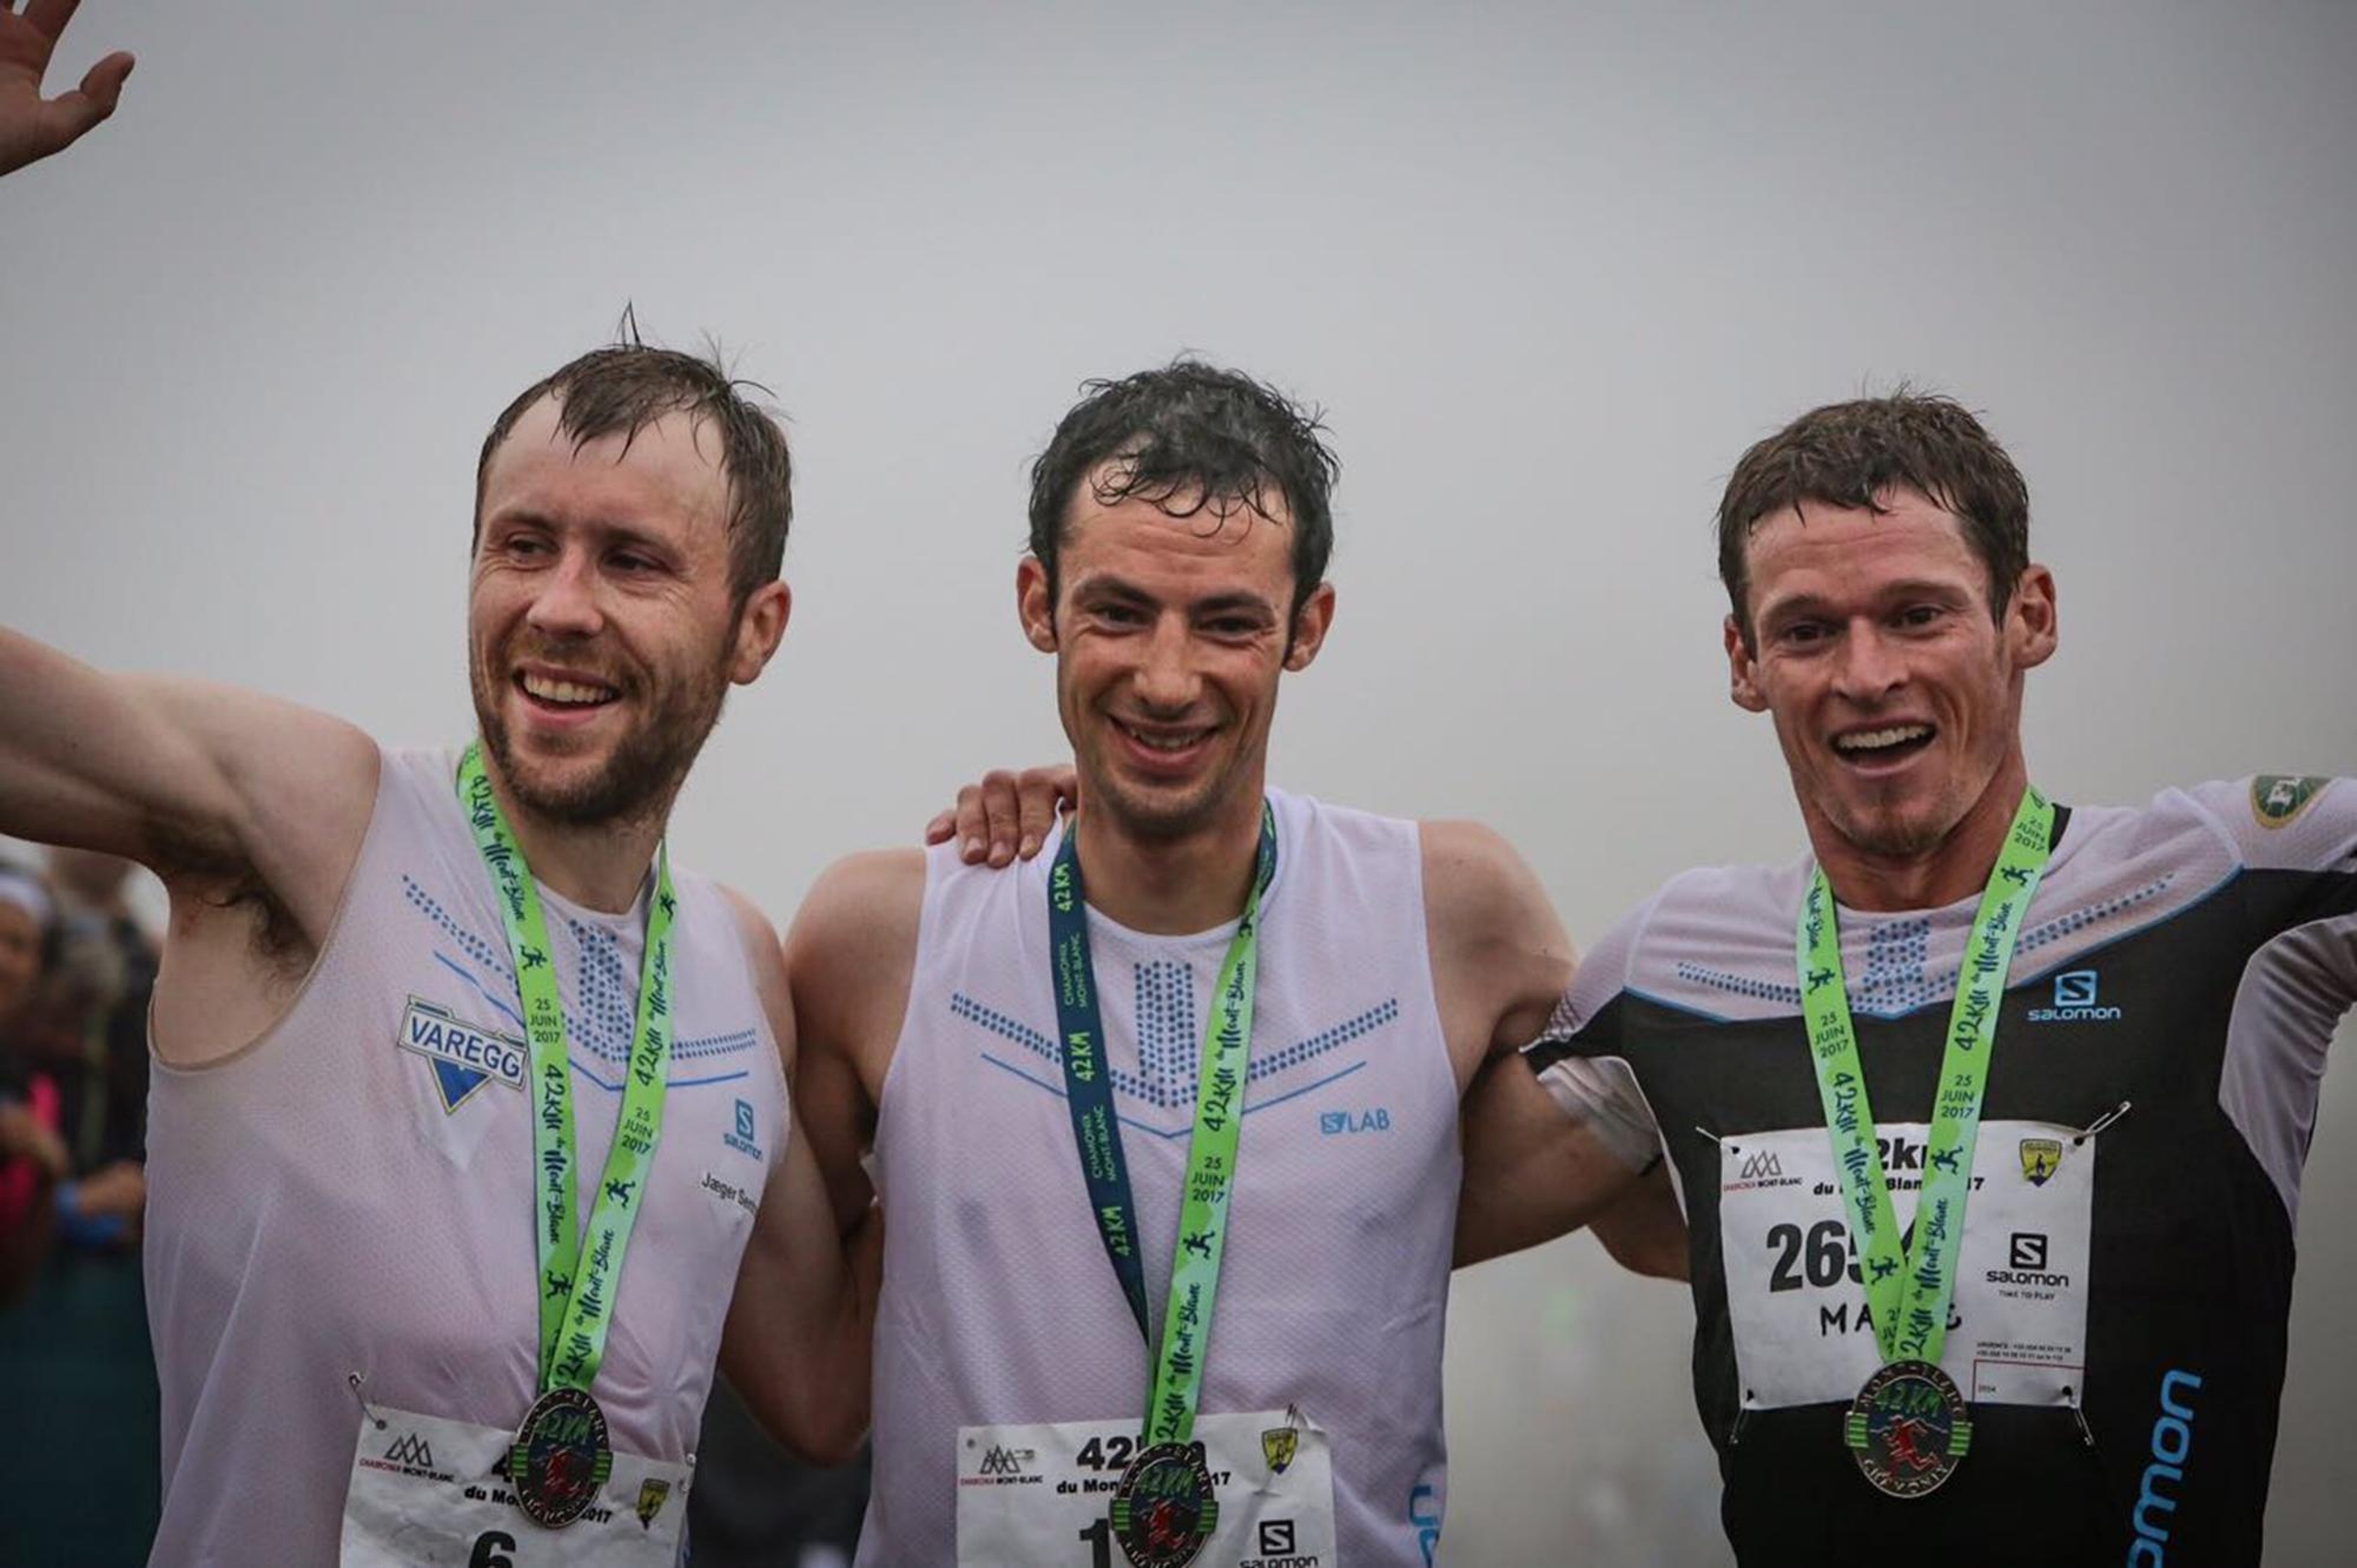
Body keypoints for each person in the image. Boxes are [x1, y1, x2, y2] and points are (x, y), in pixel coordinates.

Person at [0, 10, 875, 1562]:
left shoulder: (739, 967)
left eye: (632, 560)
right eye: (521, 542)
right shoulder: (313, 823)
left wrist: (1063, 883)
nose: (555, 604)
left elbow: (823, 1387)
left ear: (758, 628)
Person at [791, 360, 1681, 1567]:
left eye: (1225, 621)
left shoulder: (1454, 916)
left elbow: (1657, 1221)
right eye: (1116, 611)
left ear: (1305, 627)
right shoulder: (877, 937)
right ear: (1035, 601)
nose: (1167, 678)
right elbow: (809, 1370)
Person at [1499, 392, 2356, 1564]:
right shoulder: (1665, 967)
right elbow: (1361, 1212)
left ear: (2028, 615)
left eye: (1916, 614)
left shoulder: (2224, 880)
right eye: (1805, 630)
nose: (1866, 673)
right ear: (1742, 662)